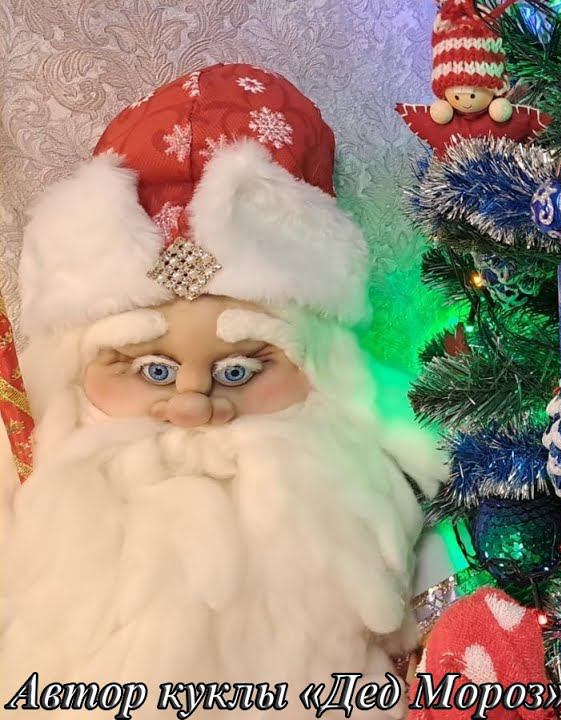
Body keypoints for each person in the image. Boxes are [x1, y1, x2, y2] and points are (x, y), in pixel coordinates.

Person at [0, 64, 447, 718]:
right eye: (153, 370)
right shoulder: (31, 478)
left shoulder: (374, 499)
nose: (191, 407)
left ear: (325, 372)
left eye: (238, 371)